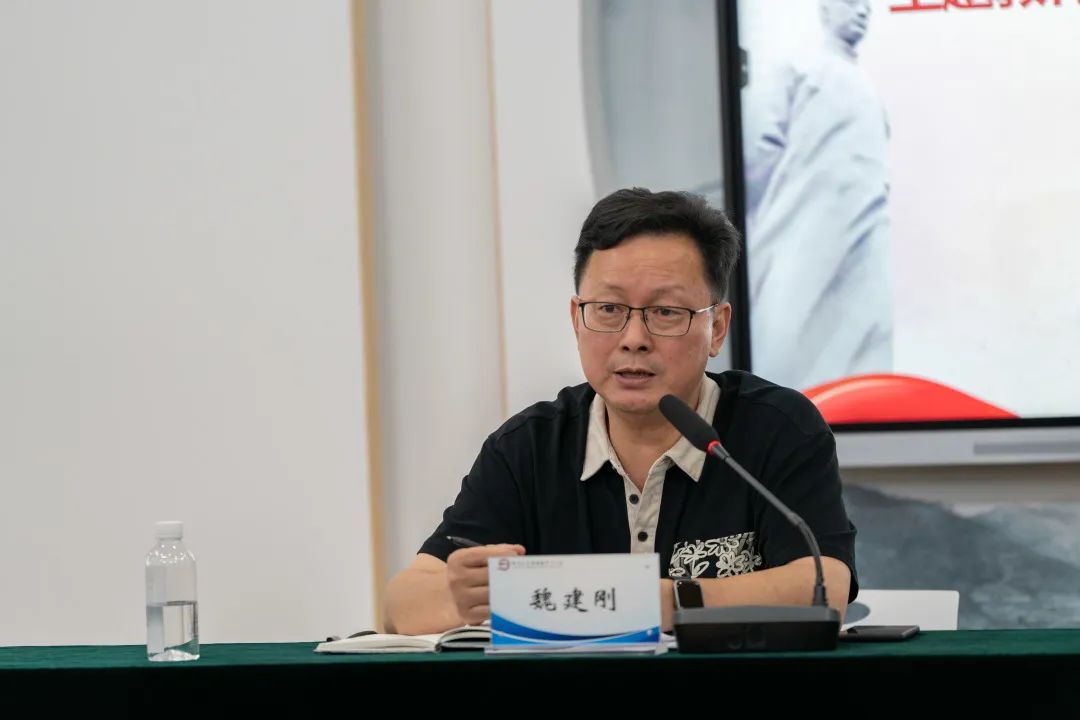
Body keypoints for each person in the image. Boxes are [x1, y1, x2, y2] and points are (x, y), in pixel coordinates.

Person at [383, 188, 857, 635]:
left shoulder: (776, 429)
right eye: (608, 309)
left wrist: (658, 603)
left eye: (665, 312)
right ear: (577, 319)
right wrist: (461, 597)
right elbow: (401, 605)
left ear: (716, 328)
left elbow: (824, 586)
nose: (633, 339)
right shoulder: (529, 447)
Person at [743, 0, 892, 391]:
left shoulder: (868, 89)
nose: (863, 11)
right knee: (793, 349)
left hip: (865, 254)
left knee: (862, 370)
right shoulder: (798, 68)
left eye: (868, 4)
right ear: (826, 8)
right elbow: (756, 156)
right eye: (851, 2)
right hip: (803, 242)